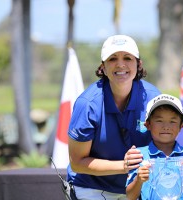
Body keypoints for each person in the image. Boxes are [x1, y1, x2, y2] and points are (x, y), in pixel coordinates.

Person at [67, 34, 161, 199]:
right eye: (112, 59)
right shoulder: (87, 104)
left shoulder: (154, 98)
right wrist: (125, 166)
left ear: (138, 64)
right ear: (102, 66)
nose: (120, 64)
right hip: (92, 187)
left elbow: (164, 144)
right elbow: (77, 163)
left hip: (138, 185)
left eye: (127, 58)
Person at [126, 94, 183, 200]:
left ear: (181, 126)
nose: (166, 127)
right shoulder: (138, 155)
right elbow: (130, 196)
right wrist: (138, 180)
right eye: (159, 121)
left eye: (172, 121)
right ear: (147, 124)